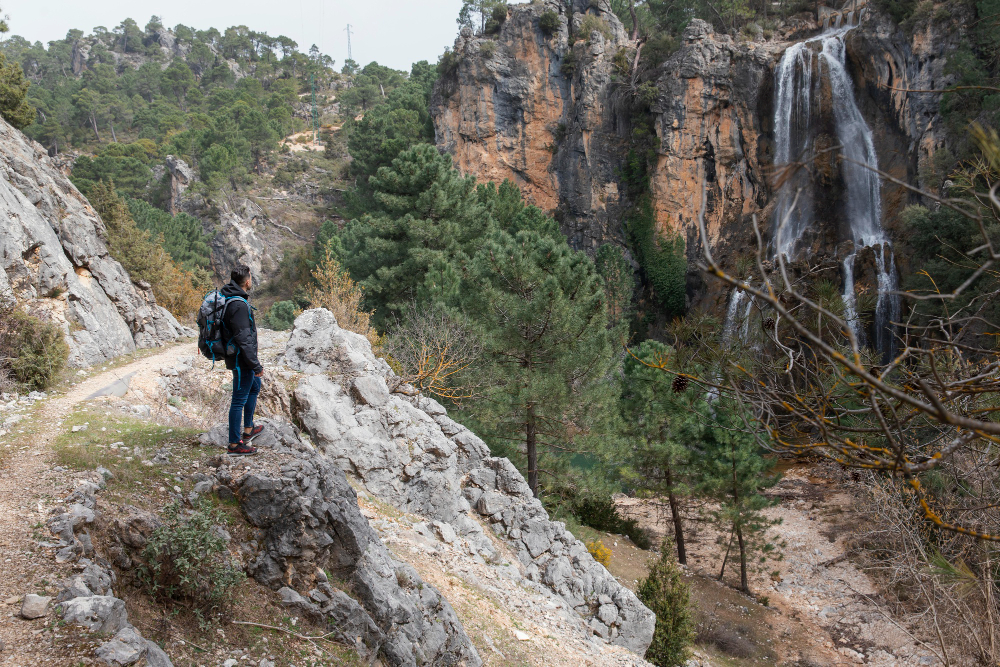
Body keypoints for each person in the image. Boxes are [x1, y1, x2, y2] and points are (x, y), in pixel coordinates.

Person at [221, 264, 264, 455]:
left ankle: (248, 429)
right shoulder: (238, 305)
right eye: (251, 278)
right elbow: (243, 338)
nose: (251, 281)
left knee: (254, 386)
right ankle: (234, 444)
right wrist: (255, 364)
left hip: (241, 358)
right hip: (241, 360)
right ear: (247, 281)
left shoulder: (234, 299)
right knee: (238, 400)